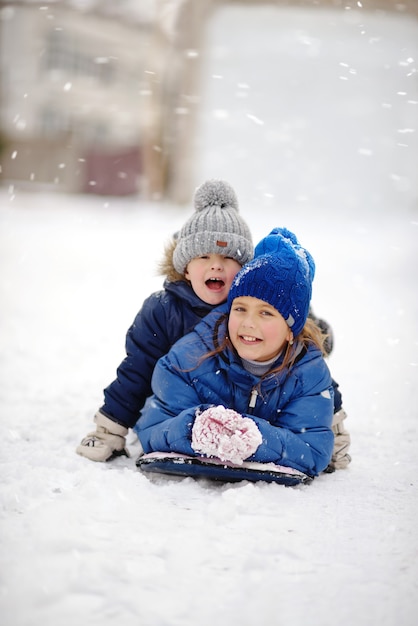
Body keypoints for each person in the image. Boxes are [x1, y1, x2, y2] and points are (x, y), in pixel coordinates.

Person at [76, 179, 254, 462]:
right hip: (175, 410)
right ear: (185, 269)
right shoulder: (163, 310)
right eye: (204, 256)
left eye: (229, 258)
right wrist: (110, 429)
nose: (216, 265)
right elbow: (137, 371)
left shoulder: (252, 311)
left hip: (240, 416)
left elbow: (298, 371)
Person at [135, 227, 336, 477]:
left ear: (290, 329)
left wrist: (257, 438)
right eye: (240, 309)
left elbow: (312, 450)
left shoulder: (308, 374)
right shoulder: (189, 360)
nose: (248, 323)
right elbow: (153, 427)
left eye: (266, 313)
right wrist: (193, 427)